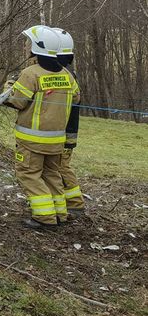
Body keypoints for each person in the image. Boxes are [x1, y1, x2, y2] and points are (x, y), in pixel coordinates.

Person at [5, 25, 80, 229]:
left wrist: (8, 86)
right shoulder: (67, 75)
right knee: (52, 175)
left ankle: (44, 217)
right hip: (56, 141)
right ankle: (60, 215)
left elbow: (17, 101)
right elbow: (76, 98)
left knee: (28, 174)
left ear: (37, 48)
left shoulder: (31, 74)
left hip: (32, 141)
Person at [53, 28, 85, 218]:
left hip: (65, 133)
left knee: (62, 167)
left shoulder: (65, 74)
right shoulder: (66, 72)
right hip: (63, 131)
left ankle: (75, 203)